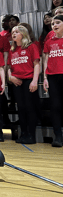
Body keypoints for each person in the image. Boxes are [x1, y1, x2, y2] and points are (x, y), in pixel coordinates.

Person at [8, 25, 41, 144]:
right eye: (12, 32)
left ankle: (31, 135)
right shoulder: (11, 50)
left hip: (28, 80)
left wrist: (34, 81)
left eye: (16, 32)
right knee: (21, 108)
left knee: (30, 108)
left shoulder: (31, 47)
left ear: (23, 34)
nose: (14, 34)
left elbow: (37, 64)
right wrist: (10, 77)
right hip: (17, 82)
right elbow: (9, 67)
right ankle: (23, 134)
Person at [43, 15, 63, 147]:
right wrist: (44, 77)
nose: (54, 25)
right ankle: (58, 137)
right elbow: (46, 58)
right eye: (53, 24)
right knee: (55, 107)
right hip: (52, 76)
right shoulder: (49, 40)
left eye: (58, 23)